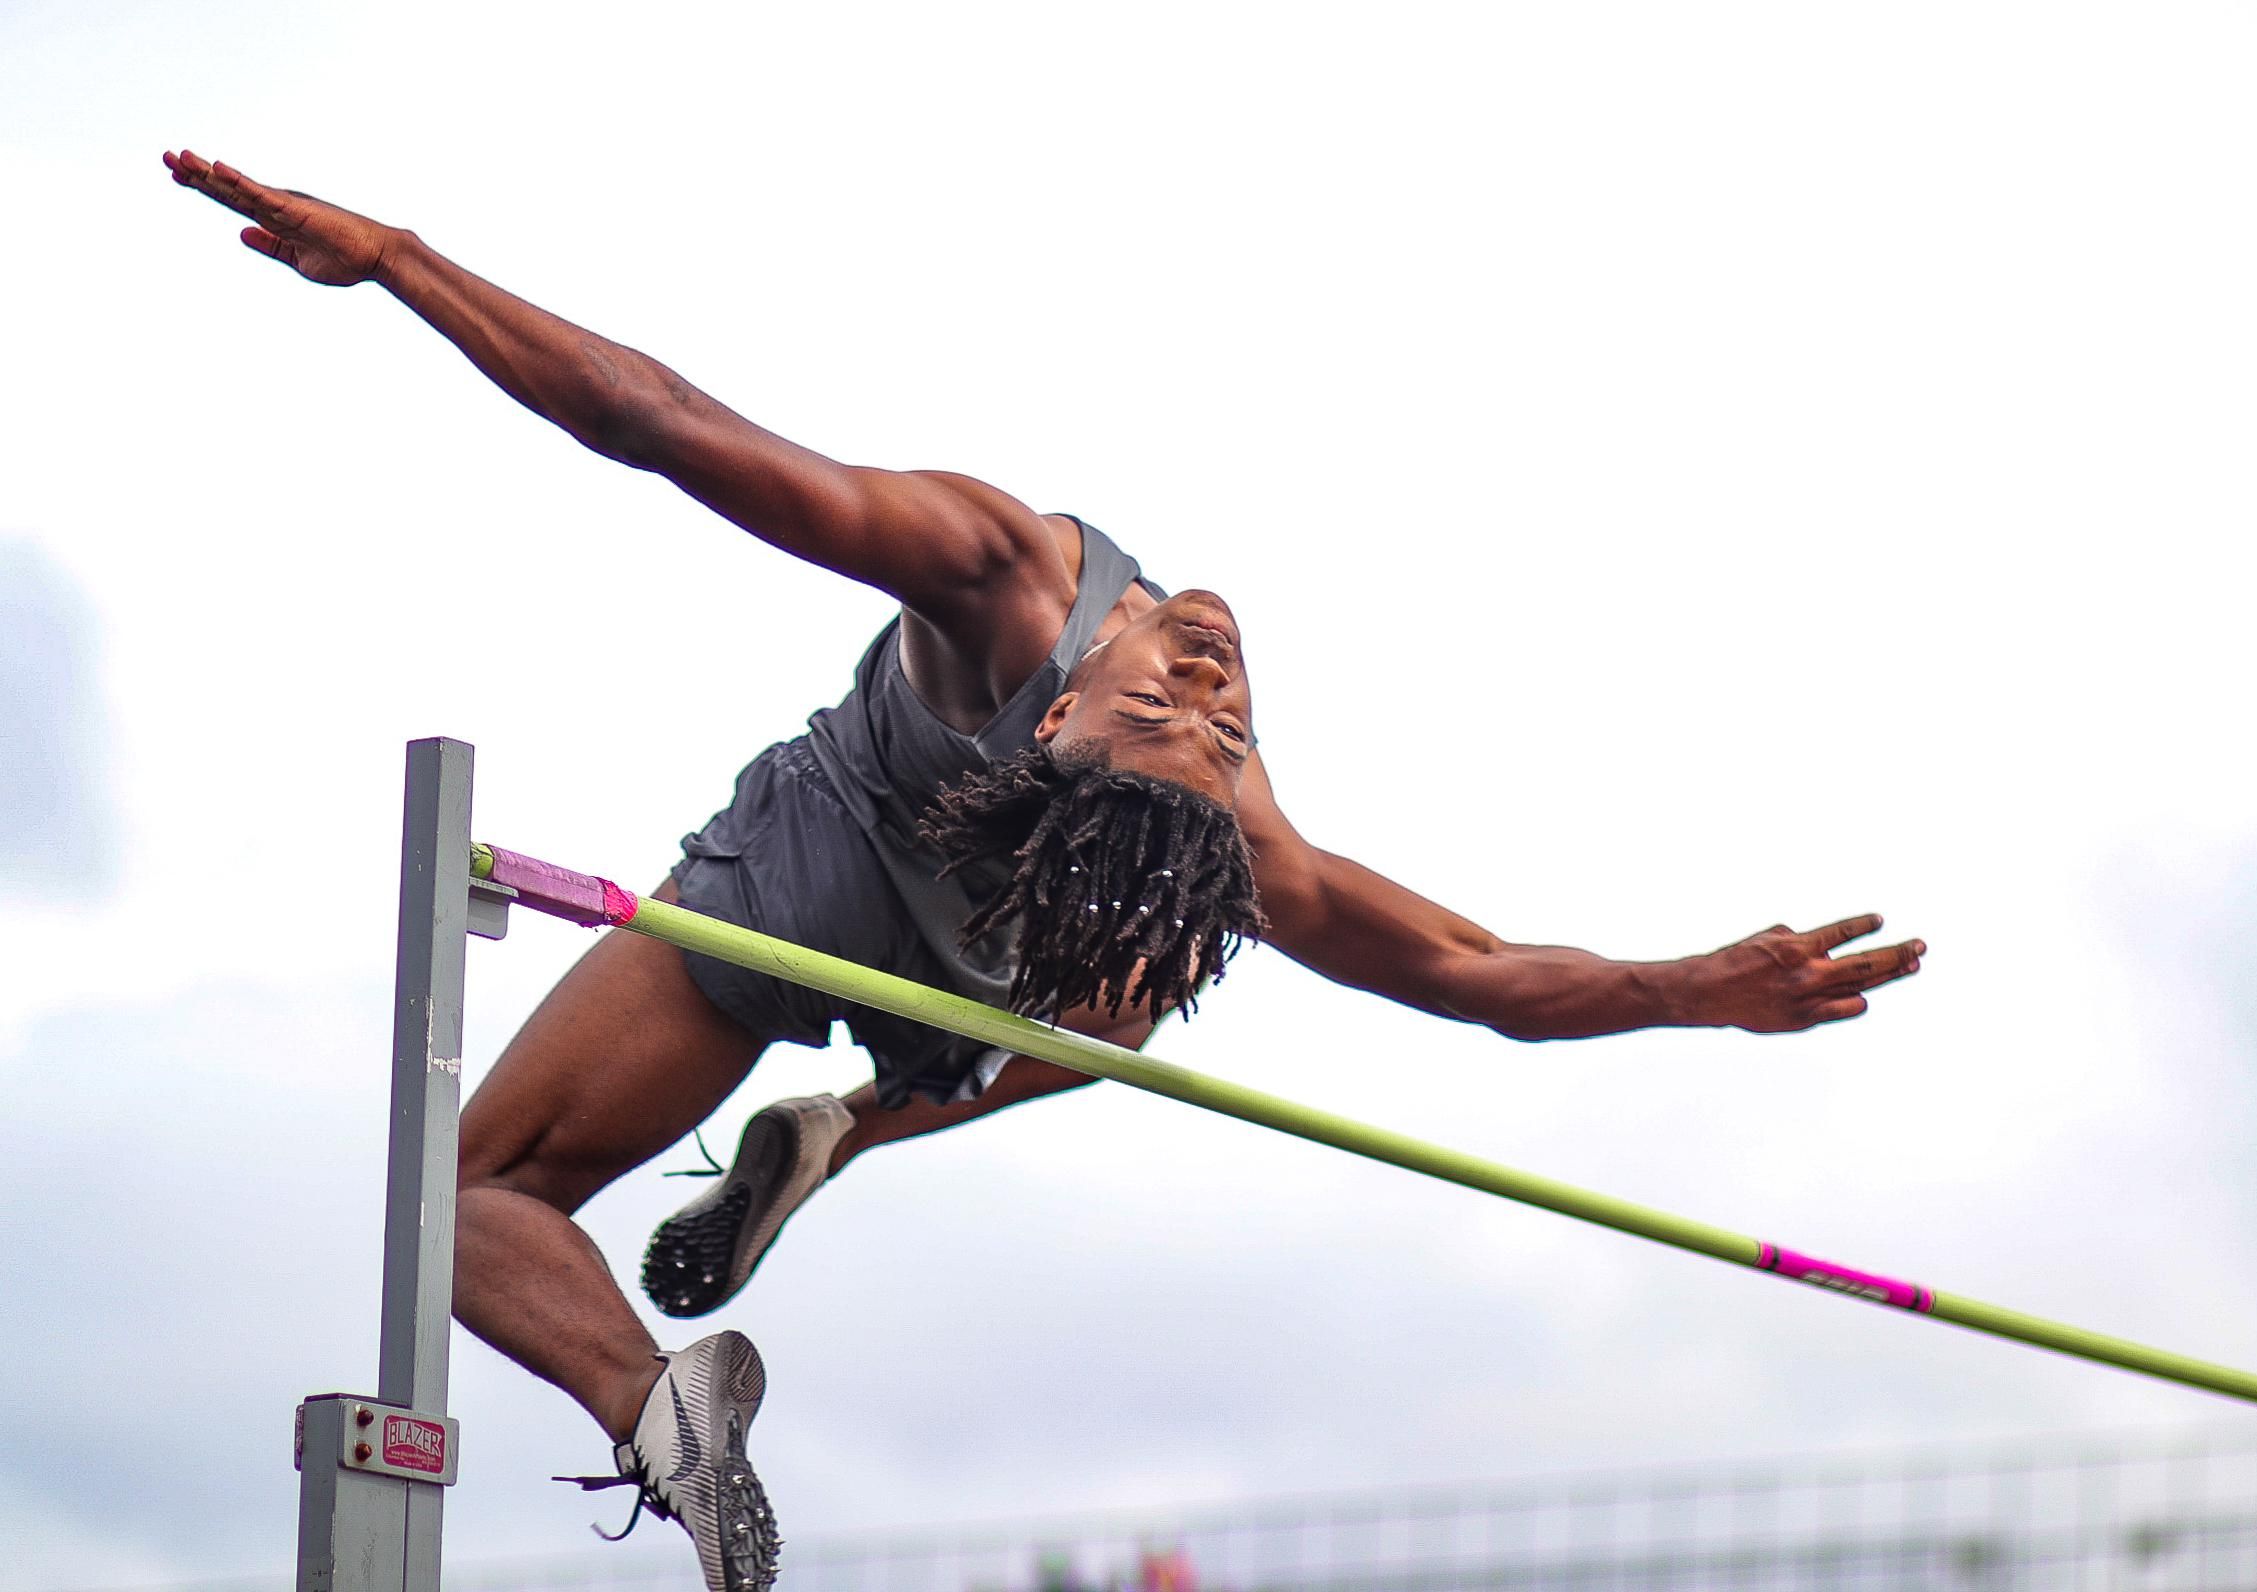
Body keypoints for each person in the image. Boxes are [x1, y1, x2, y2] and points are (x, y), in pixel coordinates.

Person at [166, 150, 1928, 1592]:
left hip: (961, 928)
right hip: (860, 875)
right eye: (1192, 710)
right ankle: (685, 1378)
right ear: (1057, 706)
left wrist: (1691, 990)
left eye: (1202, 718)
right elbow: (659, 421)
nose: (1213, 691)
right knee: (474, 1197)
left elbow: (1473, 979)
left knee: (1151, 958)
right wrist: (410, 266)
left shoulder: (1120, 718)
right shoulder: (1030, 611)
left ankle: (828, 1157)